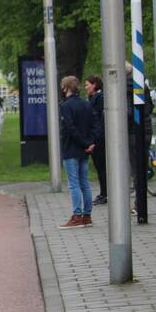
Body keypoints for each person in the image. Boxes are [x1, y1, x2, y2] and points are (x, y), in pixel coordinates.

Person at [58, 75, 94, 229]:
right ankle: (87, 216)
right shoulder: (86, 104)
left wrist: (82, 142)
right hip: (85, 150)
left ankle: (76, 216)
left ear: (65, 87)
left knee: (73, 184)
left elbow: (70, 128)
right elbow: (94, 124)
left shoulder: (65, 106)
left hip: (71, 148)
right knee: (85, 183)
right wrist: (90, 143)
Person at [85, 75, 107, 205]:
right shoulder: (94, 98)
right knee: (101, 167)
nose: (86, 87)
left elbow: (97, 120)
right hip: (98, 137)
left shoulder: (98, 99)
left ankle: (104, 193)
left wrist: (94, 138)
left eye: (87, 84)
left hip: (98, 138)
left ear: (94, 85)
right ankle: (104, 192)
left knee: (101, 166)